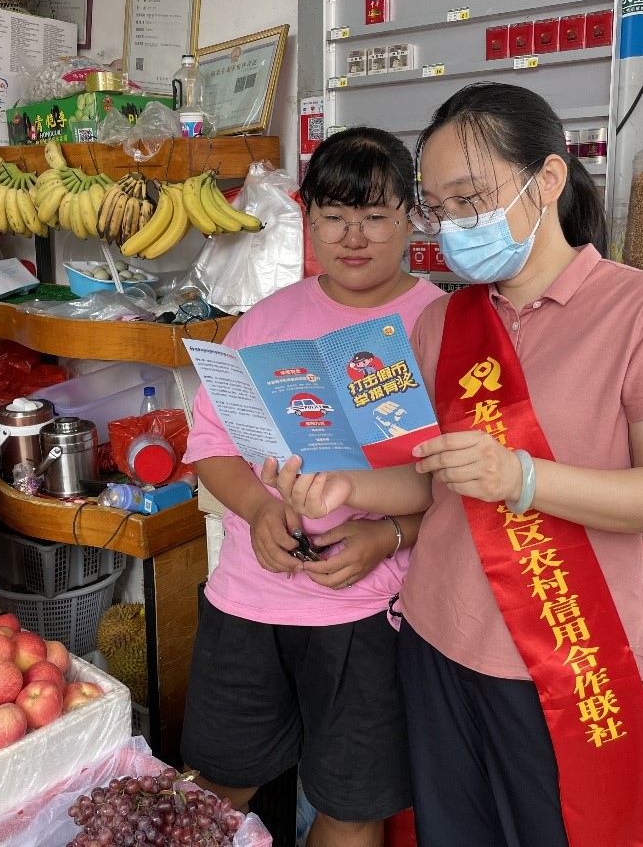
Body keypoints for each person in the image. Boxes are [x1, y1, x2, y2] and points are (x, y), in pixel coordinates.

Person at [263, 83, 643, 847]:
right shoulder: (446, 317)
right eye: (439, 208)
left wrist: (523, 478)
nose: (453, 225)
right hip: (435, 637)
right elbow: (430, 477)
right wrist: (342, 486)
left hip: (561, 651)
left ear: (546, 181)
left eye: (470, 198)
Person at [179, 127, 445, 847]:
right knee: (218, 785)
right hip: (248, 600)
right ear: (307, 219)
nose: (351, 237)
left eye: (375, 215)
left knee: (352, 805)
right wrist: (260, 508)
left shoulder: (445, 325)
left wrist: (387, 535)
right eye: (332, 216)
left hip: (368, 610)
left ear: (412, 217)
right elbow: (209, 444)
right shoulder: (265, 322)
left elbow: (465, 481)